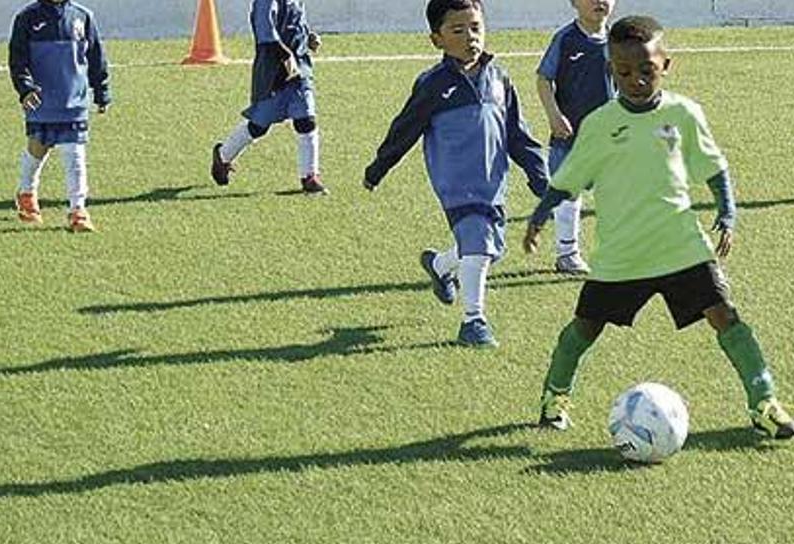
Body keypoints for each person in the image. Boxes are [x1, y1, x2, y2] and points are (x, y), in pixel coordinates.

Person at [524, 15, 794, 439]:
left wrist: (727, 212)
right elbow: (568, 179)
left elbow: (714, 166)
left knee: (726, 316)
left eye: (646, 70)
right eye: (623, 72)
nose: (635, 80)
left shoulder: (684, 113)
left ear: (666, 65)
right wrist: (540, 214)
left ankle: (764, 402)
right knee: (585, 327)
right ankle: (554, 397)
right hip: (622, 253)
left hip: (680, 244)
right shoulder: (600, 124)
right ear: (610, 70)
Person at [362, 0, 549, 347]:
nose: (470, 37)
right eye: (458, 30)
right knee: (478, 243)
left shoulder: (500, 78)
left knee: (488, 248)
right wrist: (379, 167)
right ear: (437, 39)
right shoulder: (433, 85)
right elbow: (405, 128)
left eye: (476, 27)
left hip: (493, 183)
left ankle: (440, 265)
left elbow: (517, 134)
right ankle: (473, 322)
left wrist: (540, 176)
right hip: (455, 184)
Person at [8, 0, 111, 232]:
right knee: (38, 147)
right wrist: (26, 89)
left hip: (74, 102)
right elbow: (18, 60)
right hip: (41, 101)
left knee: (74, 154)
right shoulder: (27, 18)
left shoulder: (82, 17)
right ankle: (27, 192)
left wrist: (102, 91)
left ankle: (78, 210)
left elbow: (96, 57)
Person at [210, 0, 328, 196]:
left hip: (299, 72)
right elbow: (266, 35)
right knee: (258, 126)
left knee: (307, 121)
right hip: (272, 74)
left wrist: (309, 37)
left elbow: (297, 23)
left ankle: (310, 176)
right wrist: (286, 57)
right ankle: (223, 156)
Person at [534, 0, 617, 274]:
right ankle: (567, 253)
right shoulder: (566, 39)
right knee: (569, 194)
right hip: (569, 135)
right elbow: (544, 79)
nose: (599, 1)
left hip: (607, 136)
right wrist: (554, 115)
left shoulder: (619, 41)